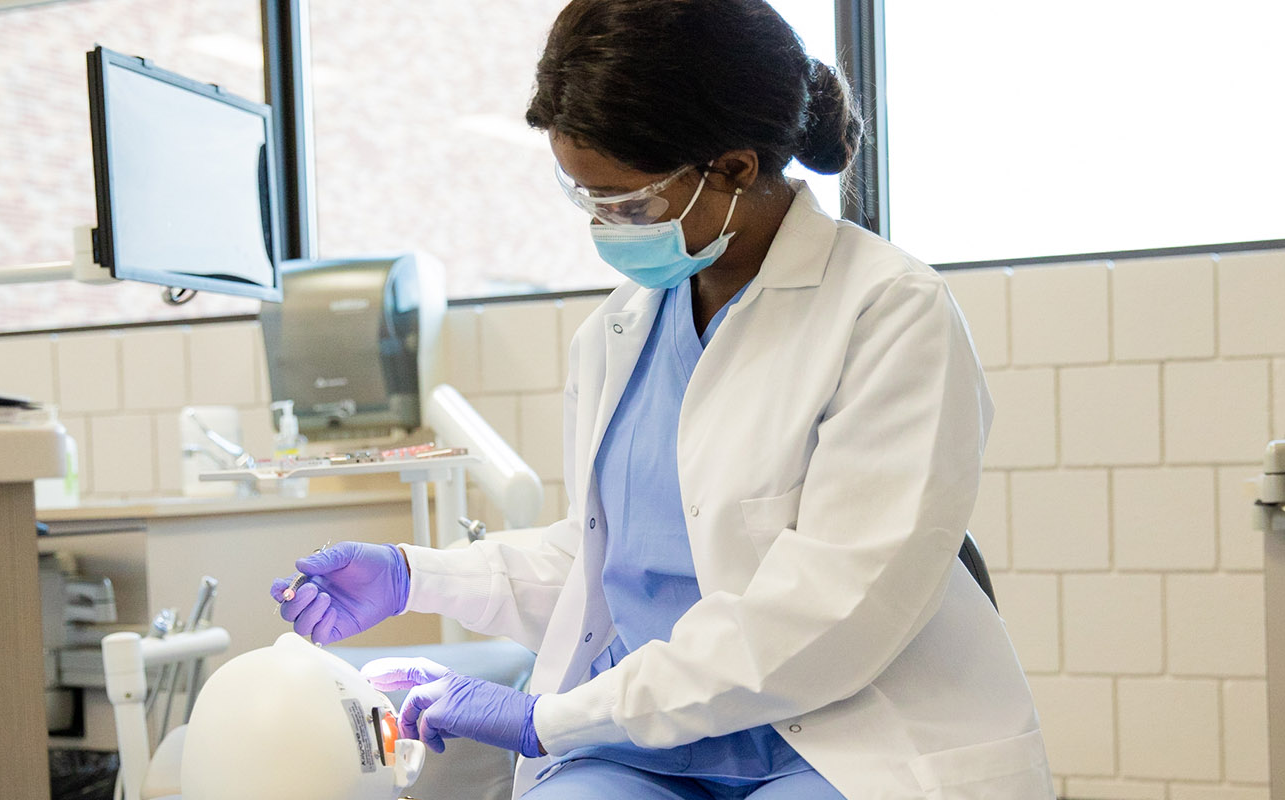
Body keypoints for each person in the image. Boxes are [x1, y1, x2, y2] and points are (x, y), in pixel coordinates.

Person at [272, 0, 1053, 796]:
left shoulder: (888, 311)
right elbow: (611, 565)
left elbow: (831, 615)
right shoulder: (618, 331)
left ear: (736, 168)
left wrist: (548, 717)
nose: (605, 226)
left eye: (627, 203)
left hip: (845, 733)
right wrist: (412, 577)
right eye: (586, 198)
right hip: (637, 744)